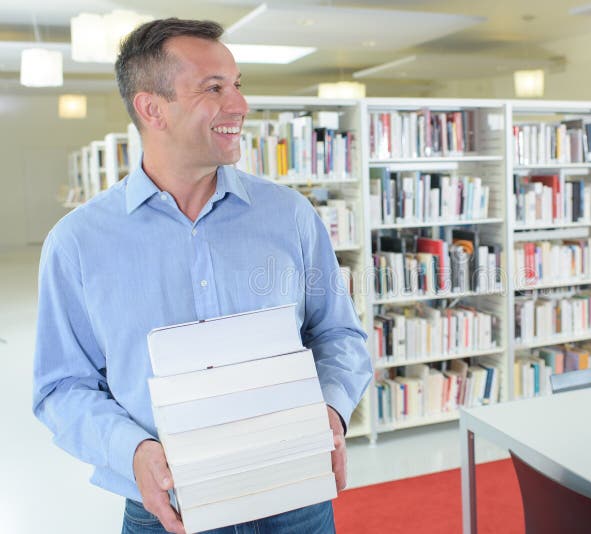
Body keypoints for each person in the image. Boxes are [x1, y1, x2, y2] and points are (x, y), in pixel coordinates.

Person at [32, 17, 371, 534]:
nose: (239, 106)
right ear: (152, 108)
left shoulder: (290, 216)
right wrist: (134, 451)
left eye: (237, 85)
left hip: (295, 497)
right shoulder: (77, 243)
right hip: (167, 511)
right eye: (213, 88)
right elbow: (61, 387)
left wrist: (330, 406)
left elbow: (338, 334)